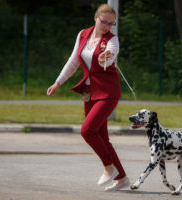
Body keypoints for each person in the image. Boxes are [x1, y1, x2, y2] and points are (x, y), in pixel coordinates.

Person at [47, 4, 129, 191]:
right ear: (95, 18)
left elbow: (111, 53)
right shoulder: (83, 34)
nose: (107, 26)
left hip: (108, 93)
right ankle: (122, 178)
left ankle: (109, 167)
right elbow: (73, 61)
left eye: (111, 23)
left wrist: (106, 57)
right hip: (90, 93)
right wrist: (58, 82)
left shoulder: (112, 39)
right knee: (102, 137)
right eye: (104, 22)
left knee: (87, 131)